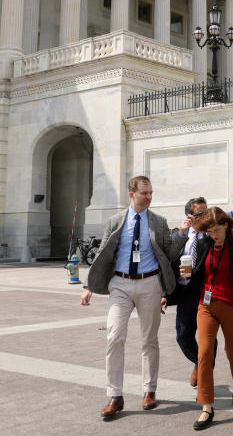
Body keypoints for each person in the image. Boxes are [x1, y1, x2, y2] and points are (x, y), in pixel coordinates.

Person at [81, 176, 189, 420]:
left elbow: (170, 253)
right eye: (145, 193)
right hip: (119, 283)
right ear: (132, 194)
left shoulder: (159, 222)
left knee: (149, 339)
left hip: (150, 283)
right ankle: (114, 396)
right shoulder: (116, 220)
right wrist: (88, 285)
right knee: (114, 336)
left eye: (151, 193)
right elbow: (102, 253)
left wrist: (181, 234)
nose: (149, 197)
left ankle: (149, 390)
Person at [180, 207, 233, 430]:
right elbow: (198, 273)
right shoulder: (204, 244)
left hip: (232, 305)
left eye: (217, 230)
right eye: (210, 231)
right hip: (206, 306)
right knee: (204, 353)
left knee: (232, 350)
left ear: (227, 226)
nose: (214, 235)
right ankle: (206, 406)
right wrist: (187, 275)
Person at [171, 197, 212, 387]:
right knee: (183, 334)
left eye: (205, 211)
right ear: (189, 216)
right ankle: (199, 362)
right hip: (185, 292)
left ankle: (204, 369)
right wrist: (181, 231)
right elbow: (169, 259)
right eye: (199, 213)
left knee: (207, 335)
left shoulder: (212, 235)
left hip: (206, 292)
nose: (204, 216)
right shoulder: (181, 236)